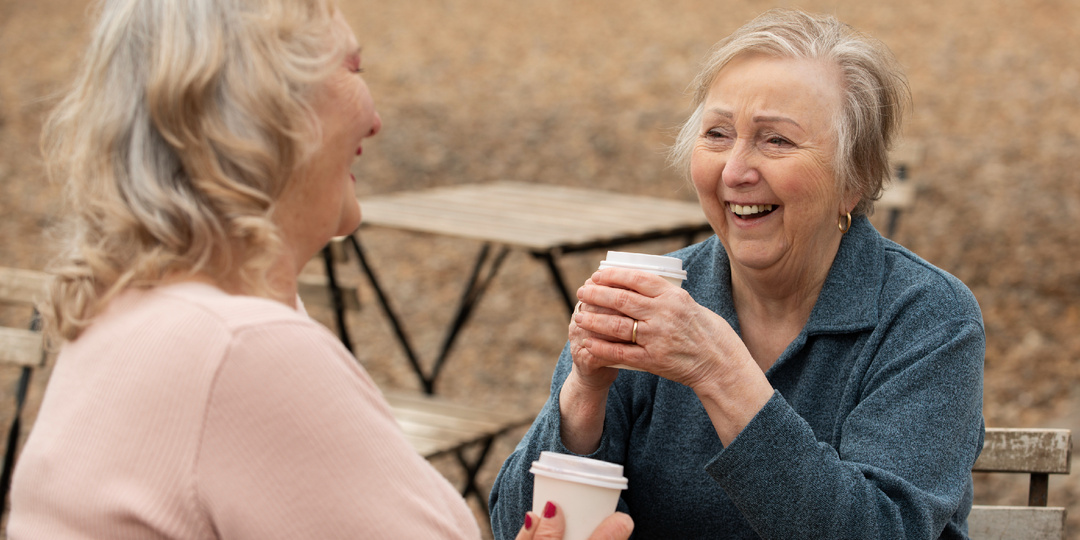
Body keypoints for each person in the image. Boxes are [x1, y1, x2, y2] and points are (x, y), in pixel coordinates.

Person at [6, 1, 636, 539]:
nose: (375, 117)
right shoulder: (241, 348)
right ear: (270, 106)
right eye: (353, 69)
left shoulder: (126, 309)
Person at [490, 8, 984, 540]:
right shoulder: (653, 297)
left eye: (776, 141)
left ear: (853, 179)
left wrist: (719, 370)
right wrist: (583, 397)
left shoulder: (928, 319)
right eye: (718, 134)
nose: (735, 171)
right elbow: (514, 524)